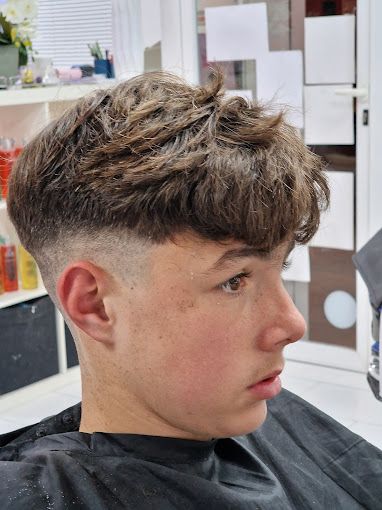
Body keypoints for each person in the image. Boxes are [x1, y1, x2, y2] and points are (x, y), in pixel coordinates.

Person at [0, 70, 380, 509]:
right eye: (234, 280)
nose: (292, 324)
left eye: (281, 266)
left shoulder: (255, 406)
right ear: (95, 304)